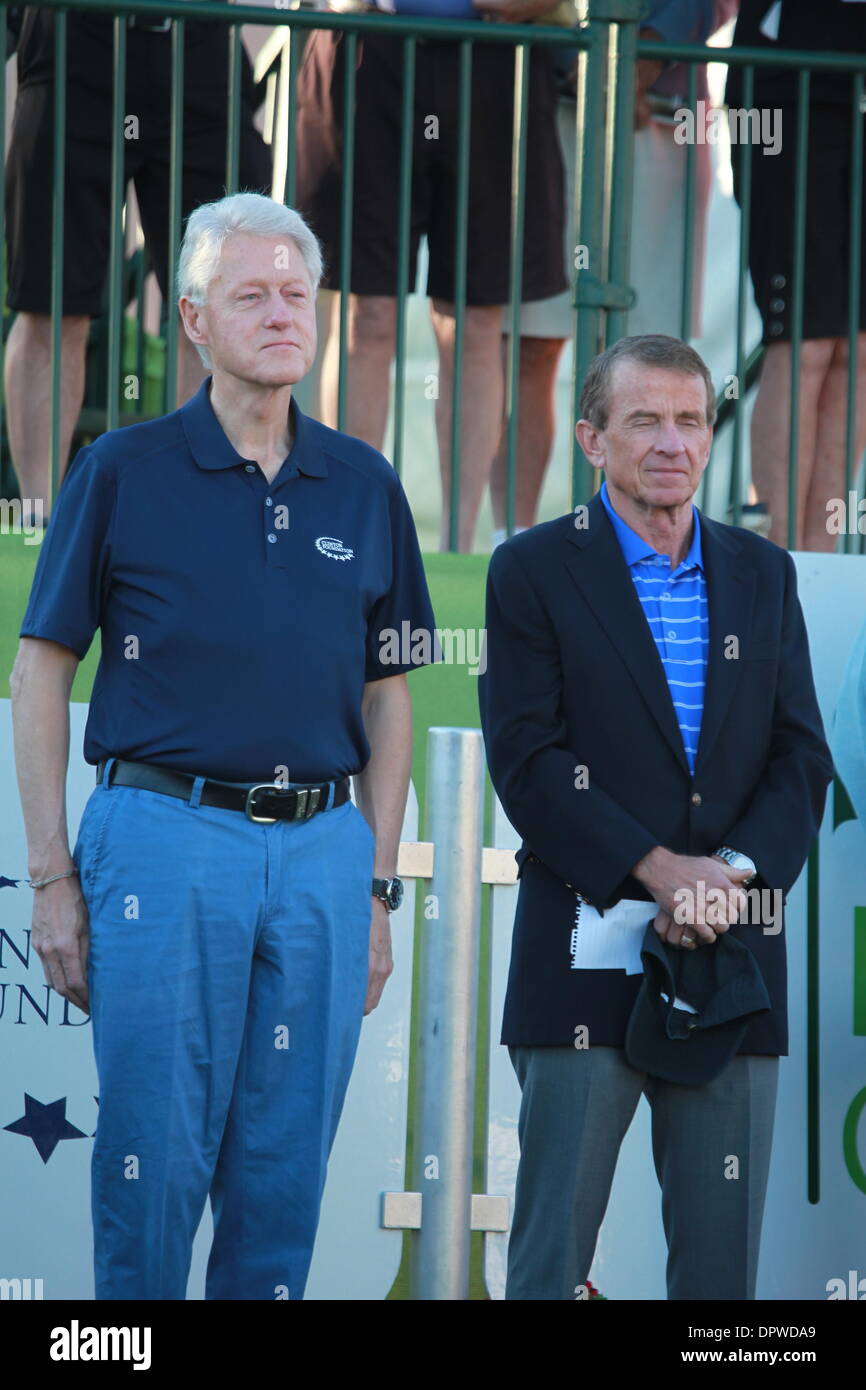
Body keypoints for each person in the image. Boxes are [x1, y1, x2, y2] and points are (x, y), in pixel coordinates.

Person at [10, 192, 436, 1301]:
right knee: (151, 1160)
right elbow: (42, 670)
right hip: (160, 837)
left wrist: (376, 888)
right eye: (251, 294)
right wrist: (51, 873)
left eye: (297, 293)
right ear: (192, 317)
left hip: (322, 859)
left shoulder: (366, 481)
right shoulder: (120, 469)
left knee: (286, 1171)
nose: (282, 313)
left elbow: (391, 698)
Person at [478, 333, 833, 1300]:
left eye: (689, 419)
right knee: (551, 1268)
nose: (672, 442)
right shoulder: (532, 570)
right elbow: (528, 760)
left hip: (733, 962)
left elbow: (801, 757)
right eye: (644, 421)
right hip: (581, 959)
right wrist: (658, 869)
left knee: (722, 1289)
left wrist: (730, 877)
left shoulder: (763, 575)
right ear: (592, 439)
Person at [294, 0, 568, 551]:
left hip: (497, 53)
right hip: (367, 44)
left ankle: (457, 547)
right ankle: (347, 534)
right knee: (365, 315)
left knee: (475, 322)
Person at [4, 5, 271, 527]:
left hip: (200, 42)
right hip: (74, 37)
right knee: (49, 303)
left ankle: (202, 518)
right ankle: (40, 524)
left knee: (220, 305)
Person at [490, 0, 740, 547]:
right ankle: (511, 538)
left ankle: (630, 541)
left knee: (650, 357)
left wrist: (638, 56)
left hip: (659, 112)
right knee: (529, 343)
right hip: (543, 102)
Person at [726, 0, 866, 550]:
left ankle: (821, 561)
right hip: (785, 96)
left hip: (852, 92)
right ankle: (781, 560)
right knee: (804, 343)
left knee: (857, 350)